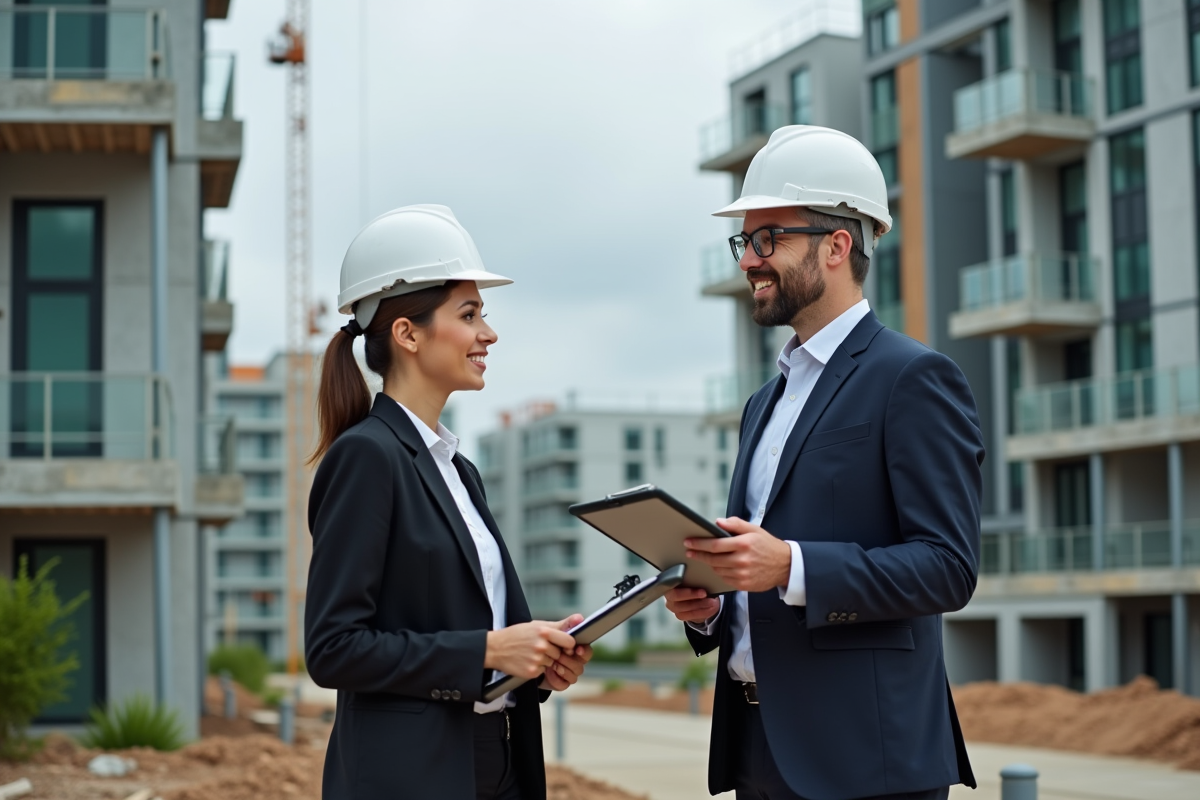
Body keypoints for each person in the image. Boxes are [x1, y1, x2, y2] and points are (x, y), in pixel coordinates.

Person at [665, 126, 984, 800]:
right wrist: (711, 607)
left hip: (864, 762)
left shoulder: (913, 378)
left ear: (837, 245)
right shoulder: (763, 403)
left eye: (767, 239)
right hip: (758, 748)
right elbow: (761, 574)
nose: (750, 261)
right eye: (744, 243)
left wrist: (791, 565)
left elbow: (948, 567)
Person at [304, 204, 593, 800]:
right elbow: (334, 649)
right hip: (413, 776)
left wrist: (533, 663)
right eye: (468, 314)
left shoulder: (459, 470)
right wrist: (489, 649)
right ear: (407, 334)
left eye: (483, 315)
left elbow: (465, 634)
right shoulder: (367, 457)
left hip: (497, 761)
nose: (488, 333)